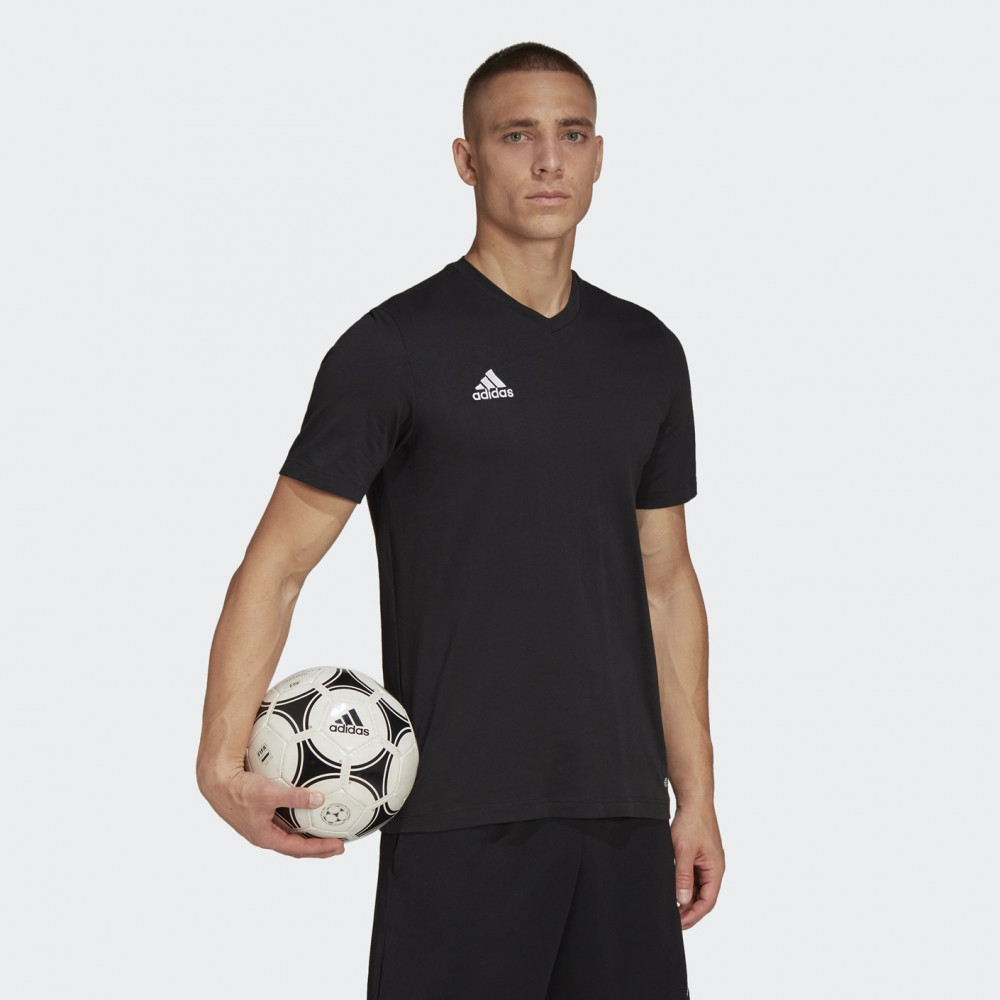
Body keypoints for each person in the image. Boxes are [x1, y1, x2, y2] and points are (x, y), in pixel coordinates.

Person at [197, 41, 724, 1000]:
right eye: (517, 136)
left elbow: (666, 584)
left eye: (572, 135)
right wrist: (218, 761)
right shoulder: (395, 348)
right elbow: (275, 567)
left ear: (600, 156)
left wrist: (696, 796)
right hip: (457, 815)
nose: (549, 160)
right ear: (467, 159)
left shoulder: (648, 352)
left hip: (623, 816)